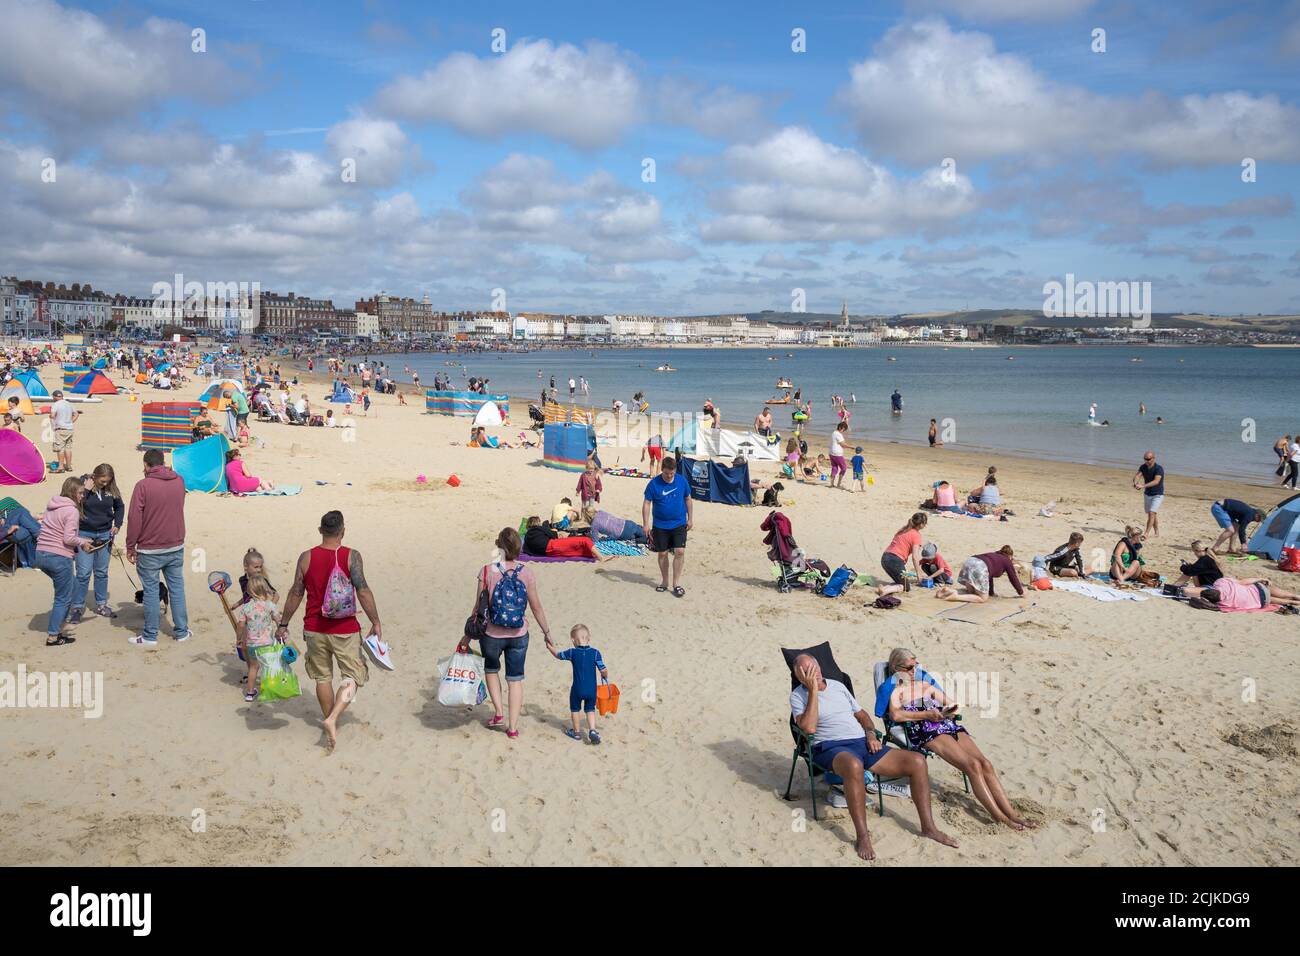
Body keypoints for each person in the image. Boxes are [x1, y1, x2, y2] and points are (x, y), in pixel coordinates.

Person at [790, 654, 957, 860]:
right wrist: (813, 691)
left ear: (820, 668)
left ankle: (929, 827)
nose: (810, 674)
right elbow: (808, 727)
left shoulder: (838, 686)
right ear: (798, 676)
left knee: (917, 761)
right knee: (853, 765)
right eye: (804, 672)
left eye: (812, 669)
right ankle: (863, 836)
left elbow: (862, 716)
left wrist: (870, 733)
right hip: (829, 748)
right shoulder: (798, 696)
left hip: (861, 742)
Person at [878, 648, 1032, 830]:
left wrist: (949, 710)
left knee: (985, 763)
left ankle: (1012, 814)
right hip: (925, 728)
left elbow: (952, 703)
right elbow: (895, 715)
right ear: (897, 668)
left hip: (946, 722)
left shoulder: (925, 685)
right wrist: (927, 714)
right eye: (910, 668)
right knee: (972, 766)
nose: (915, 671)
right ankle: (1000, 817)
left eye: (916, 666)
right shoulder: (896, 690)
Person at [276, 510, 382, 751]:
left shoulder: (306, 557)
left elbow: (295, 592)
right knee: (353, 676)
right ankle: (333, 718)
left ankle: (330, 719)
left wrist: (283, 623)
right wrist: (375, 621)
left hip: (313, 628)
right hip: (344, 628)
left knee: (323, 677)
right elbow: (363, 590)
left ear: (320, 530)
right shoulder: (351, 556)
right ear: (343, 531)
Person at [461, 527, 551, 739]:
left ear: (499, 547)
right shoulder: (527, 572)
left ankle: (499, 713)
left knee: (491, 670)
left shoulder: (486, 571)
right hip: (519, 633)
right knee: (515, 679)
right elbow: (536, 607)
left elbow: (477, 608)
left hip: (491, 633)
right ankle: (512, 727)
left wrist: (467, 635)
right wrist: (546, 632)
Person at [126, 448, 191, 646]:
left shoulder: (143, 485)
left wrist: (130, 546)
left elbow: (134, 518)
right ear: (162, 463)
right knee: (177, 588)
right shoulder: (179, 481)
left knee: (152, 591)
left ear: (147, 465)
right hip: (175, 543)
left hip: (150, 548)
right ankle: (181, 631)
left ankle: (150, 635)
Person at [34, 477, 95, 646]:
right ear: (72, 492)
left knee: (74, 587)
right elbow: (68, 538)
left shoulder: (53, 505)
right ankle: (54, 636)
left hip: (40, 554)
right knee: (63, 597)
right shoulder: (72, 511)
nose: (82, 496)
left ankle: (68, 621)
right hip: (58, 557)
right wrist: (83, 542)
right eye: (81, 493)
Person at [69, 463, 124, 624]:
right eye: (102, 481)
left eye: (107, 481)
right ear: (95, 476)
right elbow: (74, 505)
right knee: (83, 573)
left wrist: (117, 524)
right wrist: (85, 490)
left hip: (105, 534)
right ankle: (77, 607)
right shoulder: (82, 484)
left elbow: (119, 507)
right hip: (85, 534)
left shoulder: (111, 489)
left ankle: (101, 604)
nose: (105, 484)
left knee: (101, 572)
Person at [548, 623, 609, 744]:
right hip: (592, 690)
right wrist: (604, 675)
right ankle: (592, 730)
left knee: (575, 709)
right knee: (590, 709)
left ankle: (576, 733)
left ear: (573, 640)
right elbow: (603, 669)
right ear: (589, 637)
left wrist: (549, 647)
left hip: (577, 689)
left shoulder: (572, 652)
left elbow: (558, 655)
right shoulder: (596, 653)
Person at [642, 454, 692, 597]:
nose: (670, 476)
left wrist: (691, 518)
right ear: (661, 470)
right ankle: (665, 582)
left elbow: (688, 499)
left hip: (679, 523)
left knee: (680, 552)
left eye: (672, 473)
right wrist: (646, 524)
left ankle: (676, 583)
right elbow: (646, 503)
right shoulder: (654, 484)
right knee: (662, 553)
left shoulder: (682, 481)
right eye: (667, 473)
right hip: (660, 525)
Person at [235, 573, 279, 703]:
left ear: (249, 591)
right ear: (265, 589)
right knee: (267, 667)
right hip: (267, 643)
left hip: (252, 643)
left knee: (253, 668)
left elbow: (241, 625)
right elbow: (278, 619)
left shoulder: (246, 608)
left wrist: (239, 638)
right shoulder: (269, 605)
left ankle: (249, 693)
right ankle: (268, 691)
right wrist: (281, 630)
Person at [937, 546, 1025, 603]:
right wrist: (1021, 592)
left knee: (971, 592)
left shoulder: (994, 555)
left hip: (970, 561)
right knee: (982, 598)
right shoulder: (1007, 560)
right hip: (980, 567)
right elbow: (1013, 578)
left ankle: (949, 591)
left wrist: (991, 593)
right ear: (1010, 556)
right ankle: (956, 597)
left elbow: (989, 576)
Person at [879, 512, 929, 596]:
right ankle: (884, 590)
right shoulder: (916, 535)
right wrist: (919, 575)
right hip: (895, 561)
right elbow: (915, 557)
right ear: (922, 524)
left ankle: (886, 587)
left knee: (899, 581)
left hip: (885, 558)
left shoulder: (903, 530)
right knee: (906, 587)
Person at [1184, 577, 1300, 610]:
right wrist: (1259, 578)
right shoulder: (1222, 582)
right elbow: (1243, 582)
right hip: (1259, 589)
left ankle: (1292, 602)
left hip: (1261, 601)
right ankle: (1295, 596)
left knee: (1285, 601)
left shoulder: (1224, 604)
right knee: (1285, 593)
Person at [522, 516, 607, 561]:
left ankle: (593, 554)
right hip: (551, 545)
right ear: (537, 523)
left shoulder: (527, 537)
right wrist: (554, 531)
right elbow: (554, 535)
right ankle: (601, 557)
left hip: (547, 553)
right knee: (585, 540)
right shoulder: (539, 528)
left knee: (575, 551)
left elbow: (526, 550)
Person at [1133, 451, 1164, 538]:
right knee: (1152, 514)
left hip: (1157, 494)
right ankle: (1157, 531)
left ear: (1153, 458)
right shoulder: (1143, 467)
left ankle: (1146, 533)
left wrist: (1143, 485)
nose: (1146, 461)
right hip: (1147, 494)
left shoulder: (1159, 468)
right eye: (1145, 459)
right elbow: (1137, 476)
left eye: (1148, 459)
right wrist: (1136, 483)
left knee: (1151, 513)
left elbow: (1156, 481)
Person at [48, 389, 80, 474]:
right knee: (68, 448)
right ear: (61, 396)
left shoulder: (55, 405)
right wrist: (70, 422)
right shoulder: (69, 404)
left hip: (60, 429)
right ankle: (69, 466)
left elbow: (52, 416)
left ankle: (61, 467)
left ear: (55, 397)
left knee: (60, 448)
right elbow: (76, 414)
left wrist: (53, 425)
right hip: (69, 428)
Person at [828, 422, 849, 490]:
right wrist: (852, 447)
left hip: (831, 453)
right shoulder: (838, 434)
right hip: (837, 454)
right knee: (844, 468)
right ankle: (838, 484)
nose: (843, 431)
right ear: (840, 428)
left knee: (834, 467)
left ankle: (831, 484)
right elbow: (843, 444)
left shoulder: (833, 433)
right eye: (843, 429)